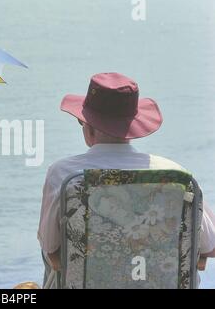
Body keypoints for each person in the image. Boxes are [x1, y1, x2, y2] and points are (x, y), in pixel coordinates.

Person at [38, 72, 215, 287]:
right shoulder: (174, 176)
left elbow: (51, 247)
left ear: (88, 126)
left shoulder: (64, 174)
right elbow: (209, 247)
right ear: (132, 127)